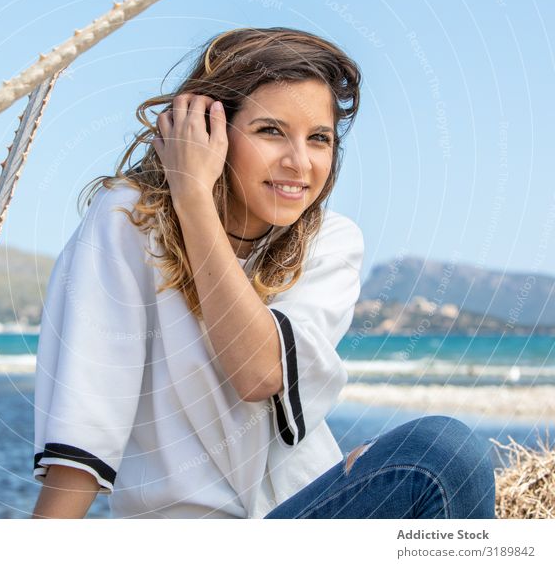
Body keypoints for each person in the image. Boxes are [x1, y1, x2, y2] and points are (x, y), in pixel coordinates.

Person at [31, 27, 496, 519]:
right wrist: (192, 195)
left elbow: (261, 371)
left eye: (319, 139)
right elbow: (85, 432)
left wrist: (364, 478)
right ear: (207, 131)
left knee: (444, 452)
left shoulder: (330, 241)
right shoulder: (128, 220)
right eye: (271, 131)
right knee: (447, 447)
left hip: (303, 516)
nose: (299, 163)